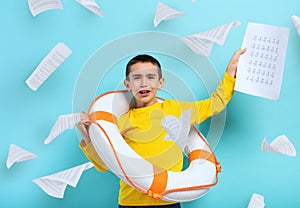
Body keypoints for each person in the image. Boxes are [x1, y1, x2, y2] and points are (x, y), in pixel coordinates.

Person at [77, 48, 246, 208]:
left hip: (168, 200)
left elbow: (215, 104)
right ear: (127, 85)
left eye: (150, 77)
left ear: (161, 83)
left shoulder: (175, 109)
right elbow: (107, 164)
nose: (144, 83)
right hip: (131, 202)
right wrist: (88, 138)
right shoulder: (122, 122)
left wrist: (230, 72)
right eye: (137, 78)